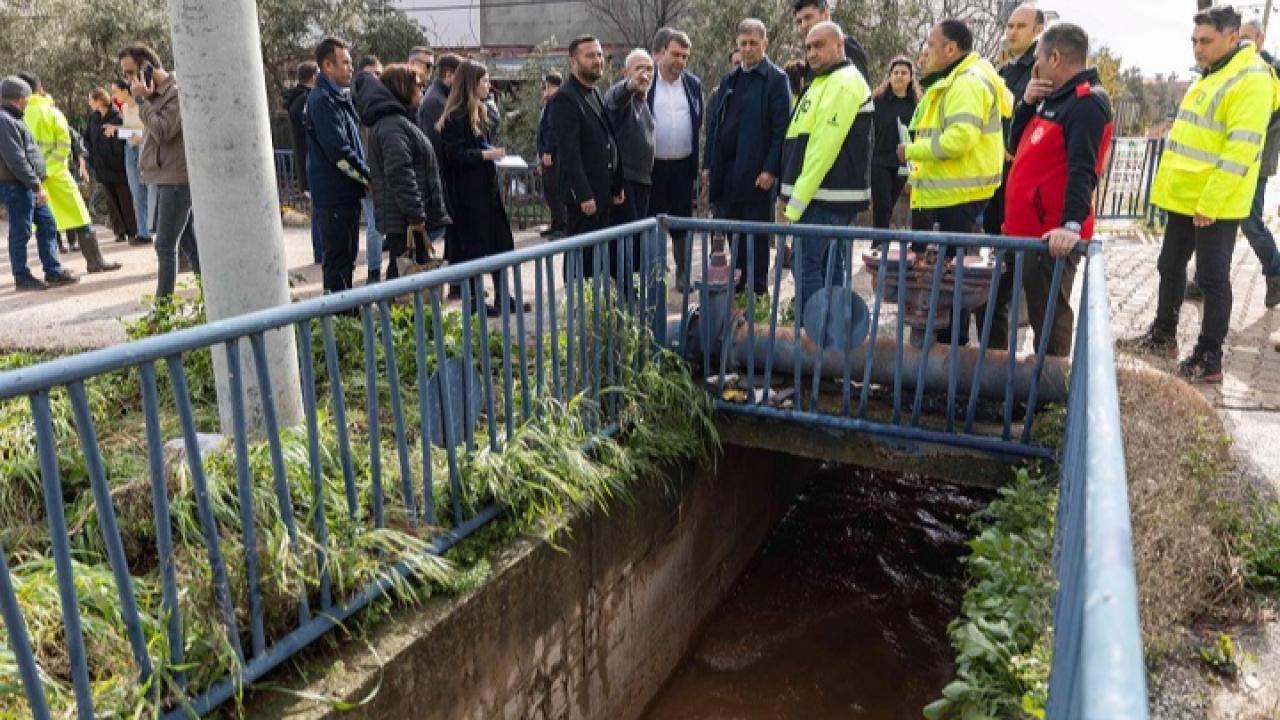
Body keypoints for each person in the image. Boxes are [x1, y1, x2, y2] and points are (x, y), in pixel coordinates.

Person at [1120, 6, 1279, 382]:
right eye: (1194, 40)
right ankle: (1162, 335)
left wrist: (1210, 202)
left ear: (1232, 36)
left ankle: (1210, 358)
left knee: (1211, 279)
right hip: (1185, 197)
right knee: (1169, 267)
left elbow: (1240, 150)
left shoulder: (1252, 78)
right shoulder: (1211, 74)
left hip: (1215, 204)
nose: (1197, 48)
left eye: (1205, 40)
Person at [994, 22, 1113, 358]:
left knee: (1048, 317)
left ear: (1056, 58)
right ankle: (996, 378)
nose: (1036, 68)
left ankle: (1047, 396)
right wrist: (1027, 104)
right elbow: (1016, 145)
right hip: (1017, 231)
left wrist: (1071, 226)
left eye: (1039, 60)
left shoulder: (1087, 103)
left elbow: (1083, 169)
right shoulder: (1050, 97)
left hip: (1050, 238)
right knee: (990, 304)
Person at [897, 19, 1013, 345]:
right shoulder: (955, 79)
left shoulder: (966, 83)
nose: (925, 51)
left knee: (948, 283)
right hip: (948, 194)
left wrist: (910, 150)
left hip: (956, 196)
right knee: (943, 280)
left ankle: (946, 358)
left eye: (930, 45)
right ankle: (941, 355)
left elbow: (958, 140)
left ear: (950, 49)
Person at [779, 22, 873, 316]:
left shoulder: (842, 82)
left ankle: (814, 334)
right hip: (824, 195)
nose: (811, 53)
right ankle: (830, 331)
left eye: (819, 45)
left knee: (807, 264)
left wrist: (794, 205)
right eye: (808, 47)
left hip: (825, 196)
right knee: (829, 266)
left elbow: (822, 149)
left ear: (840, 45)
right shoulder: (822, 82)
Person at [1187, 18, 1280, 309]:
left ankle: (1276, 271)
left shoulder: (1267, 73)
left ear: (1261, 39)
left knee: (1249, 222)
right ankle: (1205, 278)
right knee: (1217, 220)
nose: (1242, 44)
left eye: (1248, 39)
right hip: (1227, 162)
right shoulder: (1231, 68)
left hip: (1255, 162)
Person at [703, 19, 791, 295]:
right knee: (733, 236)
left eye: (754, 43)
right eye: (743, 44)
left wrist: (770, 169)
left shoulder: (776, 80)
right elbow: (715, 126)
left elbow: (781, 130)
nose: (748, 49)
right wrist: (708, 165)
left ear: (765, 44)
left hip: (757, 177)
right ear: (737, 46)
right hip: (727, 173)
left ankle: (758, 296)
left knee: (758, 241)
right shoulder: (729, 79)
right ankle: (738, 294)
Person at [438, 61, 523, 315]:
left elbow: (481, 144)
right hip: (467, 195)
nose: (488, 85)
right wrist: (484, 156)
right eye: (484, 81)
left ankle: (502, 295)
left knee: (501, 243)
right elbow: (454, 154)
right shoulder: (454, 116)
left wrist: (491, 153)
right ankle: (475, 301)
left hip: (487, 191)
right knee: (473, 248)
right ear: (470, 84)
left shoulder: (482, 112)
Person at [20, 72, 121, 274]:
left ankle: (51, 269)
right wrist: (50, 171)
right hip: (57, 176)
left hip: (31, 179)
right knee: (81, 217)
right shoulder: (51, 112)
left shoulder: (17, 115)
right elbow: (65, 145)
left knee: (42, 225)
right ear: (40, 88)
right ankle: (95, 261)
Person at [120, 43, 200, 296]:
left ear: (147, 67)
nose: (129, 80)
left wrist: (142, 100)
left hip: (176, 179)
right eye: (125, 75)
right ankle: (209, 296)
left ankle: (162, 310)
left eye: (131, 73)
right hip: (164, 177)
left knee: (164, 245)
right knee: (190, 245)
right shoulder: (155, 95)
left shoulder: (176, 92)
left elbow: (163, 130)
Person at [549, 35, 625, 279]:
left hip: (602, 192)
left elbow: (606, 140)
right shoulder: (565, 98)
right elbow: (569, 152)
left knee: (598, 257)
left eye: (600, 55)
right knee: (581, 257)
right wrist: (584, 194)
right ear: (574, 62)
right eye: (590, 55)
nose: (598, 60)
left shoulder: (594, 93)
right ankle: (575, 306)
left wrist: (616, 184)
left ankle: (594, 307)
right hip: (584, 198)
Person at [366, 64, 451, 281]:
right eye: (418, 86)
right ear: (404, 88)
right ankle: (405, 315)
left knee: (408, 270)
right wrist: (416, 214)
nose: (422, 90)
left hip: (406, 217)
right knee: (405, 272)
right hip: (405, 220)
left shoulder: (400, 120)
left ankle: (410, 313)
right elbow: (399, 172)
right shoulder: (392, 125)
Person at [304, 37, 370, 294]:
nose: (351, 68)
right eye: (345, 63)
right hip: (334, 198)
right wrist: (367, 178)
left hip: (344, 195)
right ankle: (339, 323)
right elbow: (340, 153)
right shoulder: (322, 101)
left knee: (345, 260)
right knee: (338, 264)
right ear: (327, 66)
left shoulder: (336, 98)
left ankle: (345, 318)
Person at [0, 76, 77, 291]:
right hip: (17, 186)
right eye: (27, 96)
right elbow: (15, 158)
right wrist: (36, 185)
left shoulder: (14, 117)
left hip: (26, 184)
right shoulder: (4, 120)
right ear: (19, 97)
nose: (29, 100)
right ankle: (21, 277)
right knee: (21, 231)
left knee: (47, 224)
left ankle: (53, 271)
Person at [648, 27, 704, 290]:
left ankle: (683, 273)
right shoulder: (647, 84)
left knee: (682, 222)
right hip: (653, 168)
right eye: (675, 54)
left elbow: (698, 120)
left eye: (685, 56)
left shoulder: (693, 84)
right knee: (654, 221)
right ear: (659, 54)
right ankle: (655, 274)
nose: (680, 61)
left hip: (683, 166)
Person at [984, 4, 1045, 237]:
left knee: (1015, 239)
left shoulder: (1041, 69)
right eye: (1010, 26)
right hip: (996, 166)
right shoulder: (1002, 72)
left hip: (1024, 167)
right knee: (993, 231)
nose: (1012, 32)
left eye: (1021, 26)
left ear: (1038, 30)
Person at [419, 52, 463, 290]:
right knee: (441, 232)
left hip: (444, 176)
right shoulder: (435, 102)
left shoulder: (440, 98)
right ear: (449, 75)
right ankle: (452, 282)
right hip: (443, 177)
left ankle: (455, 281)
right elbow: (437, 145)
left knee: (451, 234)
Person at [605, 48, 656, 227]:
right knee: (627, 241)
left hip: (643, 181)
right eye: (639, 68)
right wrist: (630, 85)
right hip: (625, 181)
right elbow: (614, 97)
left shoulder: (644, 102)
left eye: (649, 69)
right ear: (626, 73)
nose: (645, 74)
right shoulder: (623, 98)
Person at [869, 56, 920, 229]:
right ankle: (878, 243)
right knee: (881, 204)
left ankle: (883, 240)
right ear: (889, 76)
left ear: (911, 77)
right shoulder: (877, 101)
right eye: (896, 72)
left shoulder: (916, 105)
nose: (899, 76)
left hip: (903, 163)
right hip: (880, 161)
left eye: (904, 73)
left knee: (889, 205)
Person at [85, 88, 137, 245]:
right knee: (111, 201)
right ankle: (119, 231)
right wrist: (90, 156)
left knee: (125, 199)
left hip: (118, 166)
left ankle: (133, 230)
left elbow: (123, 140)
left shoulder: (117, 117)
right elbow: (87, 138)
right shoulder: (93, 118)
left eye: (91, 99)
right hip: (101, 167)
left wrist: (115, 157)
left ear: (99, 100)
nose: (89, 103)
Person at [284, 61, 321, 263]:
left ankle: (320, 253)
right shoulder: (304, 101)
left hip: (305, 161)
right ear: (313, 76)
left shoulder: (297, 100)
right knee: (319, 213)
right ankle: (320, 254)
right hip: (310, 162)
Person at [353, 54, 385, 282]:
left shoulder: (378, 103)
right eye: (375, 74)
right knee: (374, 226)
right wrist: (366, 177)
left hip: (380, 173)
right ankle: (374, 271)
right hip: (368, 176)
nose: (378, 80)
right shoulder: (356, 106)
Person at [108, 79, 151, 246]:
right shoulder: (125, 108)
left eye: (115, 92)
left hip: (144, 149)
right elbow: (130, 131)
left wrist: (128, 133)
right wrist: (117, 130)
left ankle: (155, 229)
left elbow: (146, 130)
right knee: (137, 192)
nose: (113, 96)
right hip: (130, 150)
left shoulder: (143, 105)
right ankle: (143, 232)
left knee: (151, 189)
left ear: (126, 90)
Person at [792, 0, 869, 79]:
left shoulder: (845, 46)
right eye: (799, 22)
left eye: (808, 17)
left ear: (825, 15)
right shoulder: (812, 54)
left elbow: (859, 87)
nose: (803, 25)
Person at [537, 72, 567, 239]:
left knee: (556, 192)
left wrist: (548, 151)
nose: (544, 90)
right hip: (547, 155)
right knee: (550, 192)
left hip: (554, 156)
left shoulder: (558, 102)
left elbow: (553, 129)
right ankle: (555, 224)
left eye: (546, 86)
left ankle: (562, 226)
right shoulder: (551, 103)